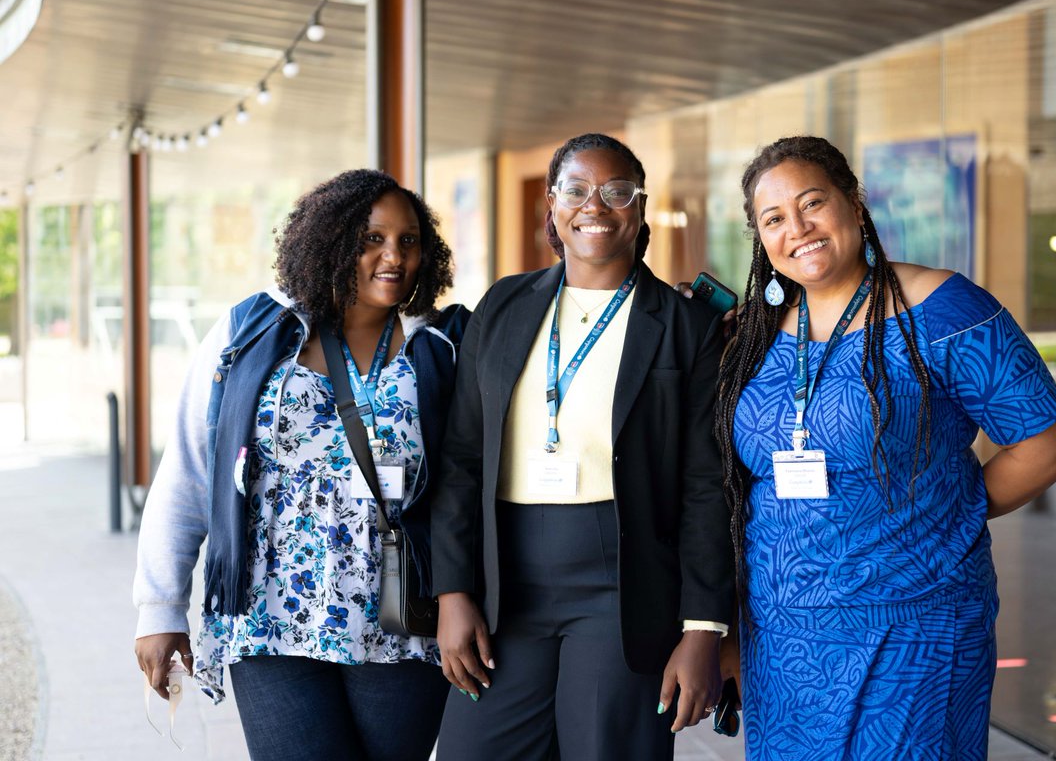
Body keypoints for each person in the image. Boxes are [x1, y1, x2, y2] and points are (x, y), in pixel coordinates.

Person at [715, 136, 1056, 760]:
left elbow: (1048, 442)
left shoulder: (941, 308)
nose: (798, 229)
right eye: (774, 219)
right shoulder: (752, 332)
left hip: (914, 622)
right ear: (760, 237)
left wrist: (953, 507)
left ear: (854, 204)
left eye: (813, 203)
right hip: (782, 634)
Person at [132, 169, 466, 761]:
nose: (394, 256)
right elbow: (188, 470)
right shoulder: (252, 332)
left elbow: (468, 480)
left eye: (409, 240)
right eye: (372, 239)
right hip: (269, 615)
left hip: (401, 620)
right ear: (332, 241)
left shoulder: (441, 344)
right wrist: (160, 608)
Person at [431, 133, 735, 761]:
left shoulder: (686, 325)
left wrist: (703, 628)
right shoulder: (504, 305)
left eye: (617, 191)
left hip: (620, 588)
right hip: (502, 586)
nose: (594, 205)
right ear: (552, 206)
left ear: (640, 207)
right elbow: (461, 457)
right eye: (575, 190)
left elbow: (708, 486)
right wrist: (453, 591)